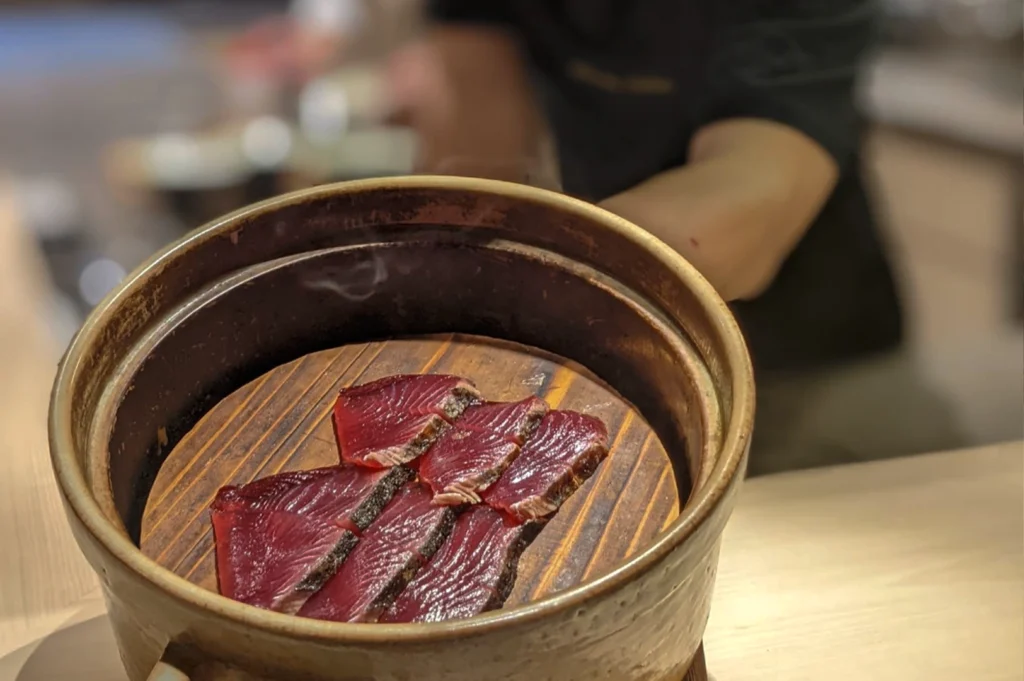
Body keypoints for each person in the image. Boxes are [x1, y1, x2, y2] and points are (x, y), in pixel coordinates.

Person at [231, 0, 964, 472]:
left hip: (820, 366)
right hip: (618, 359)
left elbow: (742, 214)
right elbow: (482, 147)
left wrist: (499, 278)